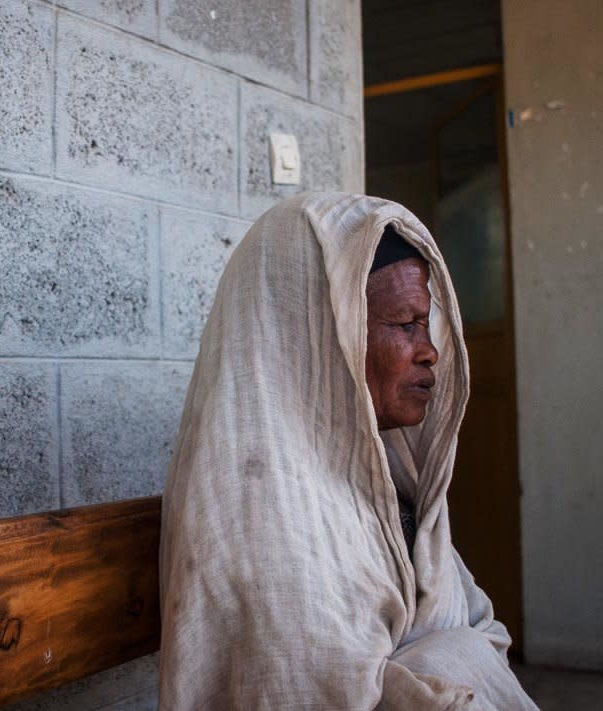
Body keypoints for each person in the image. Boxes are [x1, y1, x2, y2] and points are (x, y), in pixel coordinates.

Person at [158, 193, 537, 710]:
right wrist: (453, 661)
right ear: (318, 339)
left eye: (428, 325)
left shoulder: (387, 486)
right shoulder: (257, 518)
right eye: (406, 324)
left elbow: (481, 626)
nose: (430, 350)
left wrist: (448, 660)